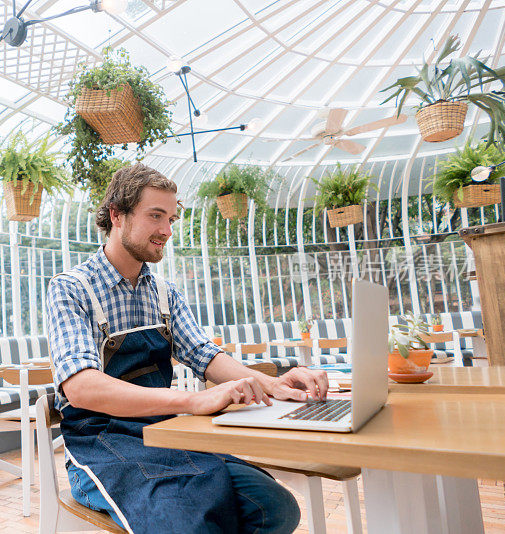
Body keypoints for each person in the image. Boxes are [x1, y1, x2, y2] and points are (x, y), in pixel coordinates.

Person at [46, 163, 328, 533]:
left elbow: (206, 356)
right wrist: (191, 402)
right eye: (155, 216)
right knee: (188, 525)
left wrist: (274, 385)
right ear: (117, 215)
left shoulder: (165, 294)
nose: (166, 230)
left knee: (275, 508)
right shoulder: (71, 288)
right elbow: (81, 389)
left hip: (167, 432)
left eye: (171, 218)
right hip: (104, 445)